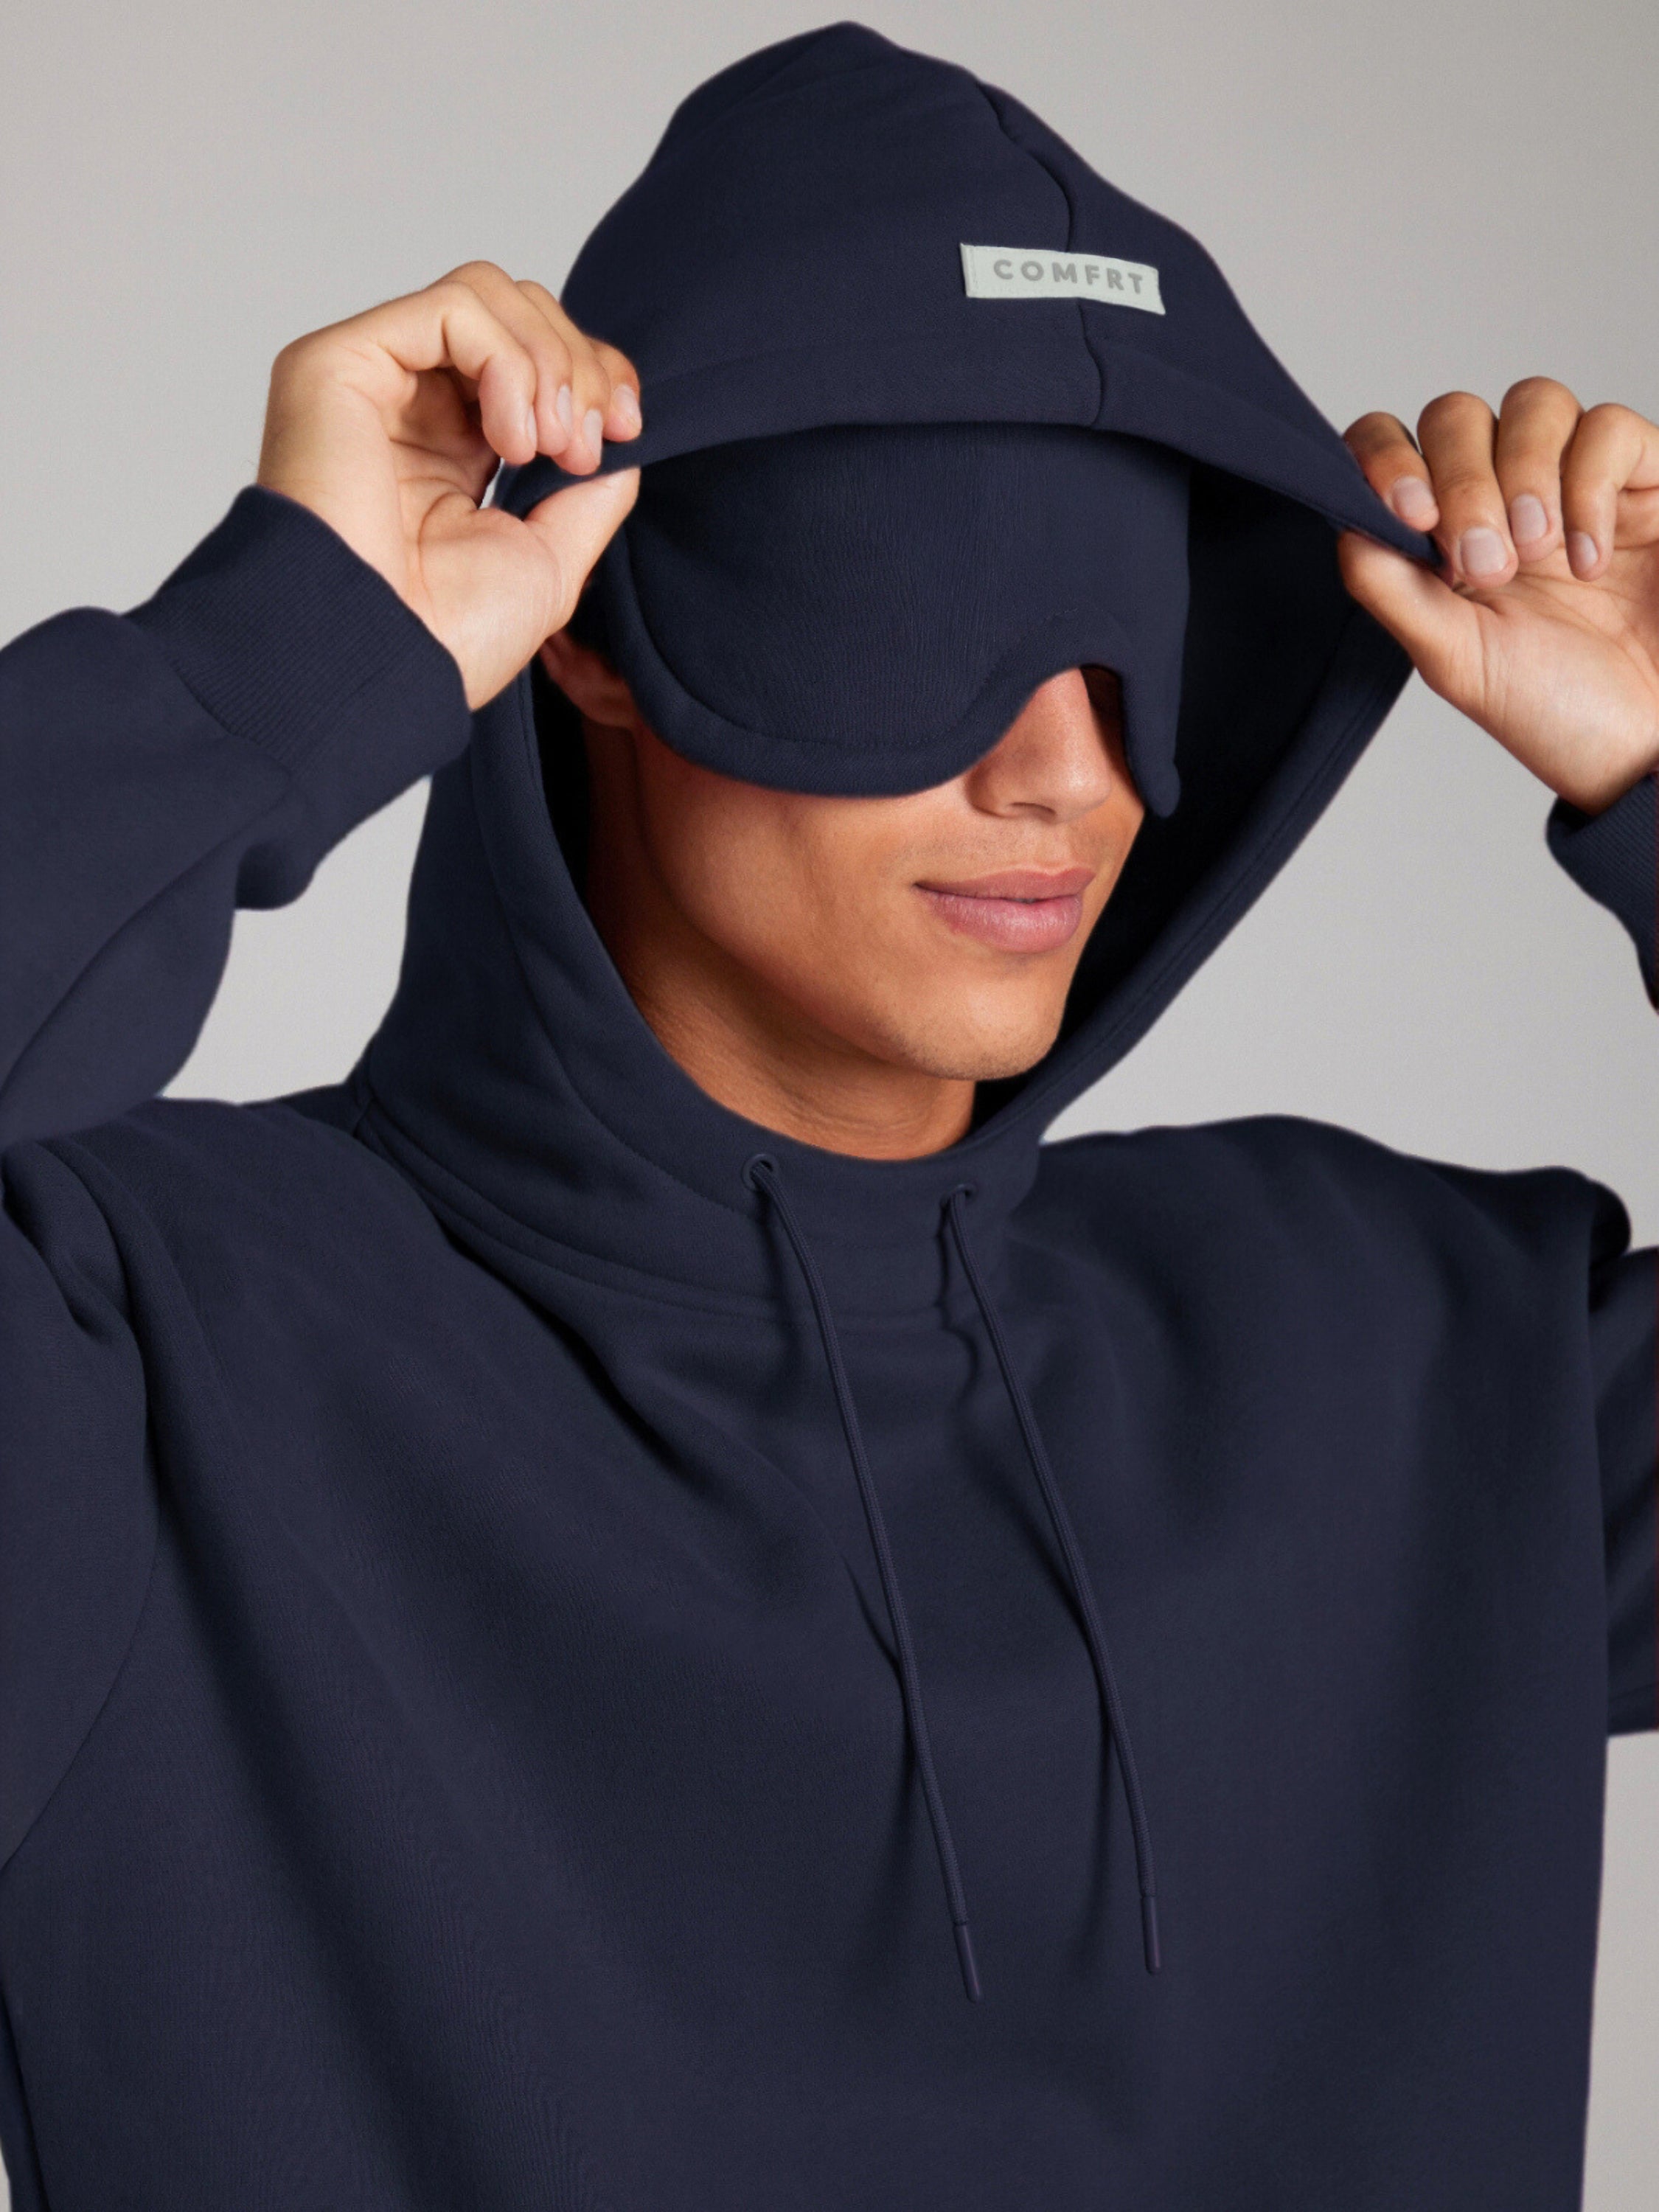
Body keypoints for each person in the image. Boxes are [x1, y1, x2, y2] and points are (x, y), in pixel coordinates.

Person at [0, 24, 1653, 2212]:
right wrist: (269, 662)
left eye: (1127, 646)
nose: (1060, 776)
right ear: (595, 628)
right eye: (916, 608)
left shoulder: (1411, 1356)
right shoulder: (141, 1363)